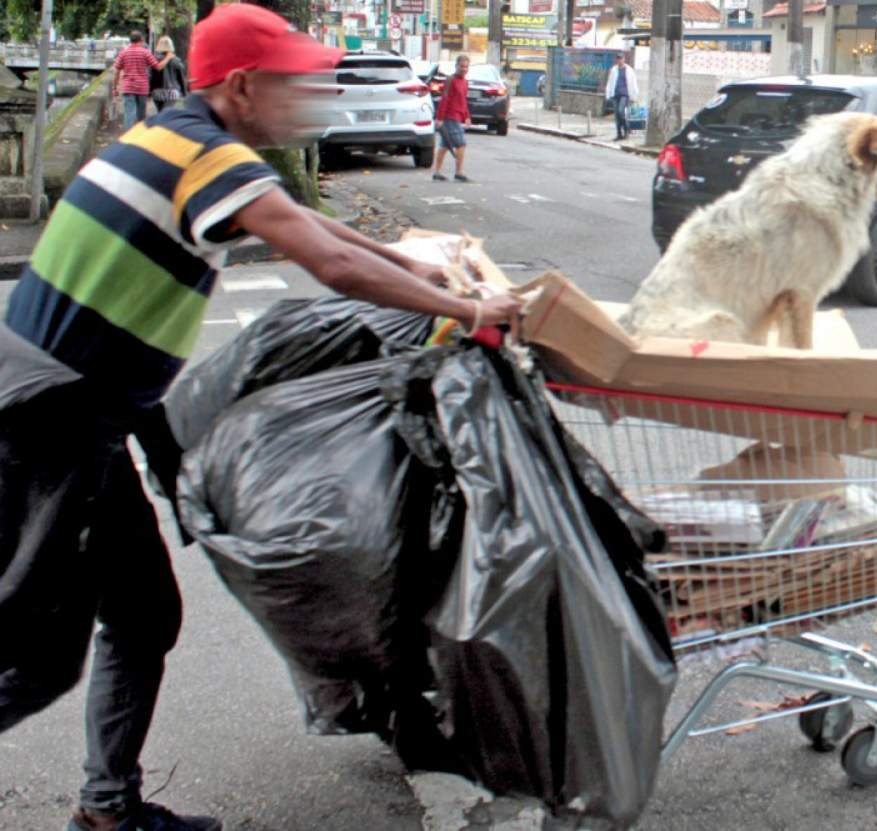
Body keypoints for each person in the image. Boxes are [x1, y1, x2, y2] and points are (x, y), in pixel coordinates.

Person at [0, 6, 521, 831]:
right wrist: (467, 306)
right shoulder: (204, 153)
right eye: (292, 81)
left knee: (143, 616)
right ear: (242, 86)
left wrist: (415, 262)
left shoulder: (180, 143)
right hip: (48, 425)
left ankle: (106, 810)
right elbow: (330, 261)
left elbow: (311, 226)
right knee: (32, 659)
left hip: (75, 421)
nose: (307, 96)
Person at [111, 31, 170, 127]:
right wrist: (168, 57)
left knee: (129, 113)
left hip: (128, 87)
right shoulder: (145, 53)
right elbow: (158, 67)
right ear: (141, 40)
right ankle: (139, 136)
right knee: (141, 115)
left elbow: (116, 71)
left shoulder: (123, 53)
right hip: (142, 88)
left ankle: (128, 137)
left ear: (130, 40)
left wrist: (114, 87)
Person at [433, 55, 472, 183]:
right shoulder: (450, 80)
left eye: (466, 67)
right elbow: (445, 99)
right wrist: (439, 118)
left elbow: (463, 101)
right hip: (450, 116)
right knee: (461, 144)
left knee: (444, 145)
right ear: (456, 66)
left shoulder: (465, 82)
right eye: (461, 66)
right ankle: (458, 172)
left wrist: (467, 116)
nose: (464, 69)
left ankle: (437, 172)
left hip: (458, 116)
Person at [604, 52, 638, 141]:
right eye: (618, 58)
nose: (619, 60)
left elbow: (633, 83)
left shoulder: (629, 70)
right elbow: (610, 82)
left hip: (625, 94)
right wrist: (608, 94)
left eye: (621, 58)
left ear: (624, 59)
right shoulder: (614, 70)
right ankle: (619, 134)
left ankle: (626, 129)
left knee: (621, 112)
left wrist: (634, 95)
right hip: (615, 94)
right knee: (617, 115)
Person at [149, 36, 188, 112]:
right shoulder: (176, 61)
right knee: (168, 112)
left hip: (157, 92)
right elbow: (181, 78)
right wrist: (184, 92)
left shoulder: (154, 60)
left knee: (160, 111)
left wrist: (150, 91)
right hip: (173, 92)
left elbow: (151, 77)